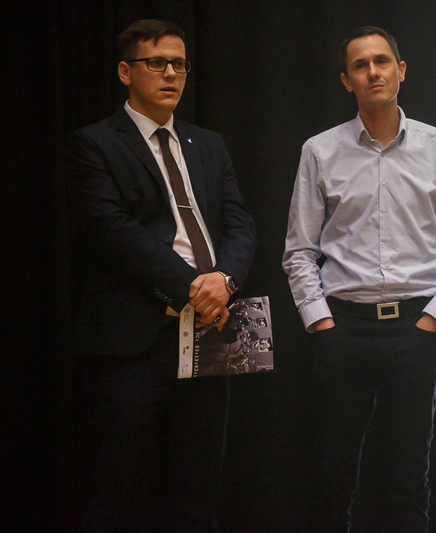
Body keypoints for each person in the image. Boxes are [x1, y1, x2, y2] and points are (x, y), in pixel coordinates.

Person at [283, 25, 436, 533]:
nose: (372, 72)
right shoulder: (319, 151)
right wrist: (321, 323)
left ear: (401, 70)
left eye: (381, 61)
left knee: (408, 480)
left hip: (415, 329)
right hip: (342, 330)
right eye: (360, 65)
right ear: (346, 80)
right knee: (329, 477)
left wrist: (435, 320)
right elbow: (299, 251)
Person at [66, 19, 257, 531]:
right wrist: (192, 286)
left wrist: (225, 281)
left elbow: (239, 222)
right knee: (114, 490)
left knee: (199, 491)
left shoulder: (208, 144)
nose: (171, 73)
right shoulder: (94, 143)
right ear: (125, 72)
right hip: (133, 340)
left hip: (211, 334)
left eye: (179, 64)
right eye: (157, 63)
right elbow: (112, 231)